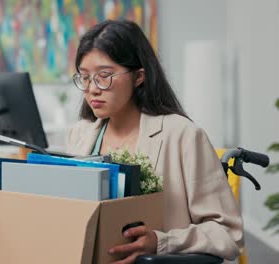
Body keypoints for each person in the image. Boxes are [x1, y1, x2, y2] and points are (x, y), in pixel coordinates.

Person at [66, 20, 243, 263]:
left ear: (139, 76)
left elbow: (228, 234)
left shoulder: (183, 136)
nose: (92, 89)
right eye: (85, 77)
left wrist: (162, 242)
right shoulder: (79, 134)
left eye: (104, 76)